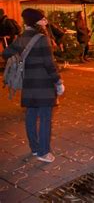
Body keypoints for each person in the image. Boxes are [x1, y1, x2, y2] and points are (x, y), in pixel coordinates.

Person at [2, 8, 64, 163]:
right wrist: (58, 81)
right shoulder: (42, 38)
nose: (46, 22)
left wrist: (21, 60)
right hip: (43, 85)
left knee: (30, 116)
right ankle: (44, 152)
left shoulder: (22, 37)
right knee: (44, 118)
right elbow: (49, 64)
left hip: (29, 84)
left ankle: (35, 149)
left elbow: (6, 53)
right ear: (36, 22)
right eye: (43, 19)